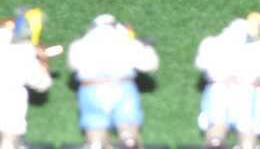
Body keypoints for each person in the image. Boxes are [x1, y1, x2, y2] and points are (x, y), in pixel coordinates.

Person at [195, 13, 260, 149]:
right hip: (222, 88)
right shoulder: (217, 44)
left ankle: (245, 144)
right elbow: (202, 62)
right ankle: (216, 141)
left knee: (247, 125)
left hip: (248, 91)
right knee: (218, 121)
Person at [67, 15, 159, 149]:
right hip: (121, 87)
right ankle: (129, 140)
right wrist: (146, 47)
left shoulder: (79, 45)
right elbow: (149, 64)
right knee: (127, 121)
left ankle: (96, 143)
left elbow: (73, 63)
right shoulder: (128, 43)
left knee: (95, 122)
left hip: (91, 88)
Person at [0, 8, 53, 148]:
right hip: (12, 94)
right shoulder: (23, 51)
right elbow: (38, 80)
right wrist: (43, 63)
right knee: (11, 125)